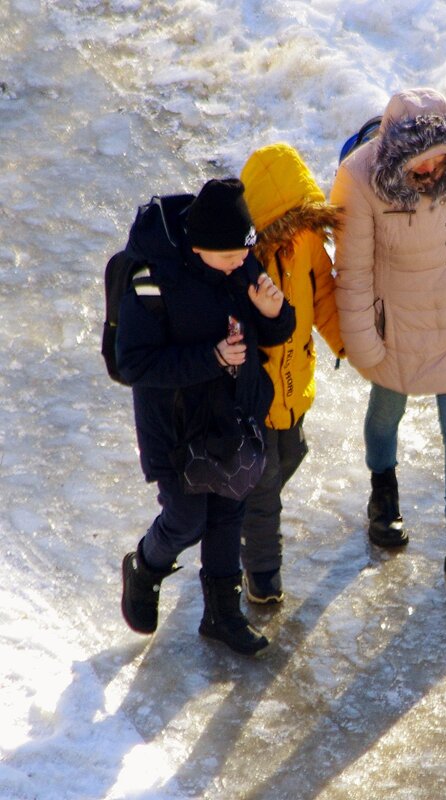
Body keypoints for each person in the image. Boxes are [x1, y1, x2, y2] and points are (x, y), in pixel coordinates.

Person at [330, 87, 446, 598]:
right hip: (401, 327)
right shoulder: (360, 178)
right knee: (387, 409)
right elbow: (354, 271)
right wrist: (366, 345)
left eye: (445, 160)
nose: (436, 171)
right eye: (426, 161)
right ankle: (383, 498)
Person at [117, 178, 296, 656]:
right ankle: (144, 566)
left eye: (244, 253)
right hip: (175, 425)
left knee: (228, 513)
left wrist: (275, 314)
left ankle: (223, 614)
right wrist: (212, 358)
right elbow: (134, 363)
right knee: (187, 517)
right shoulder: (152, 279)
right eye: (230, 257)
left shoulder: (239, 259)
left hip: (233, 413)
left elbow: (275, 329)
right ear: (199, 247)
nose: (242, 263)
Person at [238, 143, 345, 603]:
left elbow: (323, 299)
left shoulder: (307, 244)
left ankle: (234, 514)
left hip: (295, 382)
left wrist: (347, 344)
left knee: (291, 456)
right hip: (257, 393)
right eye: (283, 227)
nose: (292, 234)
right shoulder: (245, 264)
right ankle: (263, 575)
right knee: (263, 488)